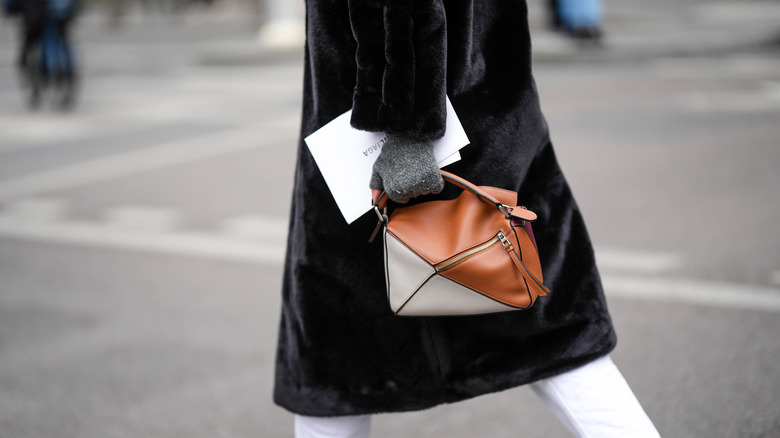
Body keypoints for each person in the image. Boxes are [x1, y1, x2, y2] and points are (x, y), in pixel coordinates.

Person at [274, 1, 661, 437]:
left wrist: (407, 127)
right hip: (488, 115)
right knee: (554, 338)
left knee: (334, 367)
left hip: (393, 148)